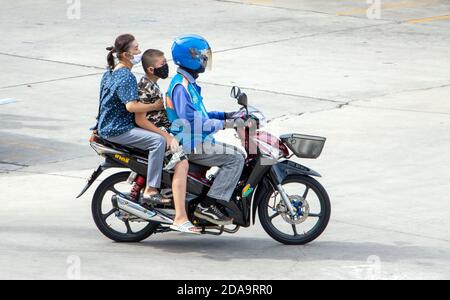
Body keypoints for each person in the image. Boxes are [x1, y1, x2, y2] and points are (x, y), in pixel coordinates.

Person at [165, 34, 245, 226]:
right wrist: (227, 124)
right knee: (236, 158)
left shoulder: (188, 84)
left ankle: (211, 192)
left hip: (199, 140)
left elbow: (202, 115)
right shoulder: (181, 87)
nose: (205, 59)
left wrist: (227, 115)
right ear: (189, 57)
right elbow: (194, 123)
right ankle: (208, 205)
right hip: (190, 144)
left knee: (236, 153)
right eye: (201, 55)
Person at [96, 33, 175, 206]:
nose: (140, 51)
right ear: (126, 55)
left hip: (106, 125)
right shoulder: (127, 76)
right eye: (136, 48)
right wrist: (154, 106)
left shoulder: (110, 72)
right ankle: (151, 190)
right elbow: (131, 107)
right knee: (158, 142)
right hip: (118, 128)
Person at [135, 48, 200, 234]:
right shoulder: (145, 86)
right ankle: (180, 218)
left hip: (165, 130)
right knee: (182, 163)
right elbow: (141, 120)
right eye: (162, 65)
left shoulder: (152, 84)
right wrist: (167, 136)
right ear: (150, 69)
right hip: (158, 134)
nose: (166, 67)